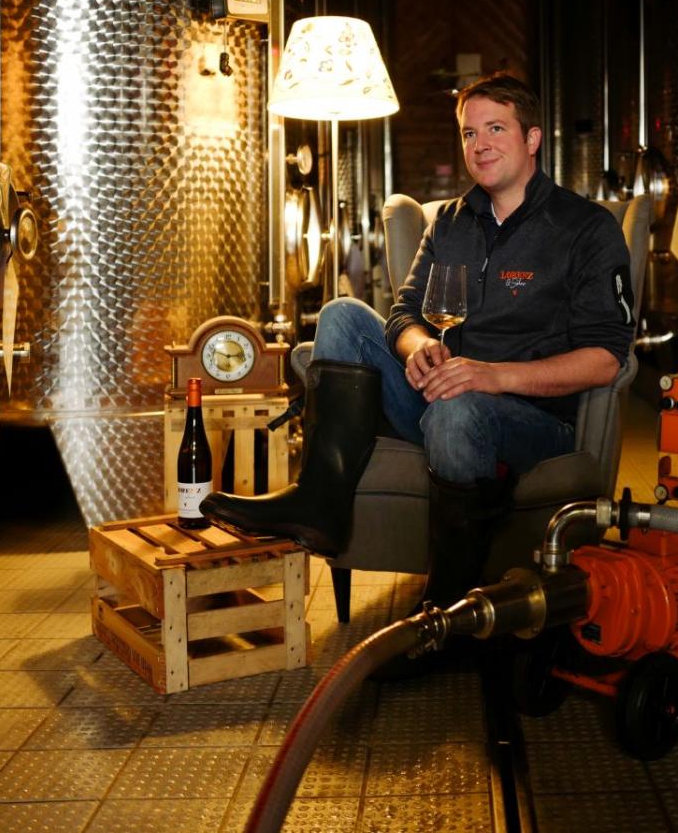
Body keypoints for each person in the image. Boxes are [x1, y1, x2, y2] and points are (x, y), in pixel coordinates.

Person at [201, 72, 636, 615]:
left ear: (532, 139)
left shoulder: (585, 228)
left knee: (459, 407)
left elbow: (605, 358)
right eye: (469, 133)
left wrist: (492, 376)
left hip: (534, 422)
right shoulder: (449, 222)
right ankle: (319, 507)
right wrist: (418, 346)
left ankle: (449, 607)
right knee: (341, 315)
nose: (480, 145)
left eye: (495, 129)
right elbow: (405, 313)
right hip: (440, 395)